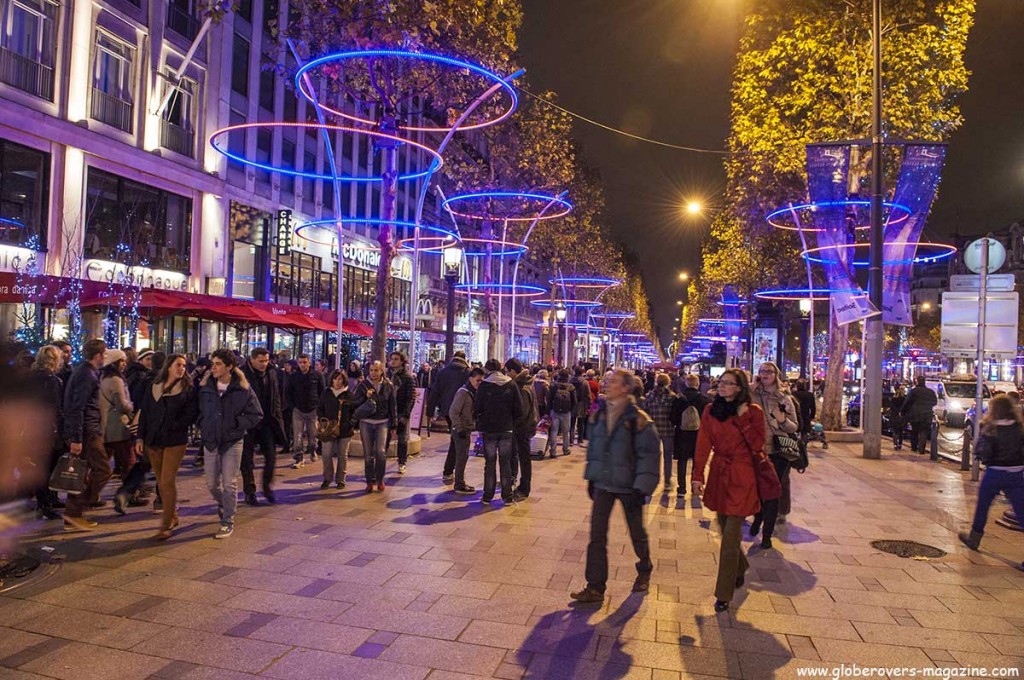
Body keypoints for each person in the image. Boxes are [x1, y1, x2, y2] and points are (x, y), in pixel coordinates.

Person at [570, 368, 660, 603]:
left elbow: (649, 455)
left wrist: (643, 486)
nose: (607, 384)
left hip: (629, 486)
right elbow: (595, 450)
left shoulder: (639, 419)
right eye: (607, 380)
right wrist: (592, 477)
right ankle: (595, 586)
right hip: (603, 483)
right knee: (596, 535)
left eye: (613, 381)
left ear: (626, 388)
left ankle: (644, 568)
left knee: (637, 532)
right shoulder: (599, 415)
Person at [691, 368, 764, 612]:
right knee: (723, 528)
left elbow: (757, 444)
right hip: (720, 475)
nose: (723, 386)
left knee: (731, 534)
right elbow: (703, 444)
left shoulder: (753, 413)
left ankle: (724, 593)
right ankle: (740, 566)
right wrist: (697, 475)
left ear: (740, 388)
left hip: (743, 477)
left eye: (729, 383)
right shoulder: (711, 410)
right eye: (721, 382)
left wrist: (743, 419)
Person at [197, 349, 263, 539]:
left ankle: (227, 520)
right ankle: (224, 504)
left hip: (232, 441)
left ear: (229, 367)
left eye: (218, 364)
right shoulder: (206, 386)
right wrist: (203, 423)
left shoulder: (242, 388)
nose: (213, 367)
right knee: (211, 484)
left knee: (229, 483)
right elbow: (199, 409)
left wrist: (237, 424)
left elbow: (256, 414)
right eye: (213, 363)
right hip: (211, 440)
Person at [134, 354, 199, 540]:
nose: (181, 368)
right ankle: (173, 516)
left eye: (184, 365)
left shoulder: (187, 389)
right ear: (168, 367)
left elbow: (191, 414)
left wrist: (175, 425)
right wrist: (140, 438)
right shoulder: (153, 387)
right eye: (178, 365)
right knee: (161, 481)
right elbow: (145, 413)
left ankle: (166, 524)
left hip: (174, 440)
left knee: (167, 481)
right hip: (153, 441)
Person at [958, 394, 1024, 551]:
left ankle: (974, 538)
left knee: (983, 506)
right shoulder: (1019, 428)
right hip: (1016, 473)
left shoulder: (990, 428)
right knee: (1021, 511)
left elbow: (981, 453)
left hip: (995, 473)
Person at [750, 362, 799, 548]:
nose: (765, 374)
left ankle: (767, 535)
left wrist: (782, 419)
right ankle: (758, 516)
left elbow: (794, 426)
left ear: (776, 375)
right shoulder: (751, 394)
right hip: (757, 450)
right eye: (762, 371)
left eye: (769, 371)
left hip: (778, 452)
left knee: (772, 493)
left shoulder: (784, 398)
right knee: (756, 489)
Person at [62, 338, 108, 531]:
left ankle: (73, 514)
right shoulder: (87, 375)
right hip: (88, 432)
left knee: (83, 473)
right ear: (97, 355)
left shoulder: (85, 372)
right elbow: (77, 407)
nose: (106, 357)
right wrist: (77, 438)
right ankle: (75, 509)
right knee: (103, 470)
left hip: (88, 429)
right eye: (104, 353)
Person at [241, 348, 286, 505]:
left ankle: (267, 488)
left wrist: (278, 417)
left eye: (266, 361)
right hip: (248, 421)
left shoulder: (272, 373)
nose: (264, 364)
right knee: (247, 460)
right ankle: (250, 491)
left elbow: (277, 396)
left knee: (271, 457)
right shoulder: (241, 374)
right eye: (261, 361)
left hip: (267, 421)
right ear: (252, 359)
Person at [474, 359, 522, 504]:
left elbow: (477, 407)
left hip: (489, 429)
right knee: (505, 462)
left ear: (488, 370)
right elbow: (518, 408)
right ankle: (507, 495)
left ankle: (488, 495)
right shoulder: (511, 384)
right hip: (506, 428)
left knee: (489, 462)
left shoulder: (484, 386)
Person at [30, 346, 66, 520]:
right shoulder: (53, 381)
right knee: (49, 467)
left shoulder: (30, 378)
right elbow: (56, 408)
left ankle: (43, 502)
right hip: (47, 428)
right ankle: (45, 504)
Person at [352, 360, 397, 492]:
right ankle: (369, 481)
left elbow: (392, 406)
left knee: (380, 452)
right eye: (371, 370)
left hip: (382, 422)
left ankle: (380, 478)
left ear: (382, 371)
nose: (373, 373)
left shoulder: (388, 385)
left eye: (376, 370)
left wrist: (394, 424)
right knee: (368, 454)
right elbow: (355, 403)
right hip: (366, 422)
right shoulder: (363, 385)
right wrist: (366, 397)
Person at [430, 351, 470, 484]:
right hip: (461, 412)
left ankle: (449, 471)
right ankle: (449, 471)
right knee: (457, 441)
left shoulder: (443, 372)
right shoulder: (466, 372)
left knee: (455, 439)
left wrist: (430, 412)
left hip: (447, 410)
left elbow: (435, 391)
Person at [99, 349, 135, 485]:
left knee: (104, 463)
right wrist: (131, 405)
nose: (124, 364)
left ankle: (91, 494)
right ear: (114, 363)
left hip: (107, 426)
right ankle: (129, 493)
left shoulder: (103, 377)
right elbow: (122, 404)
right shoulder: (116, 380)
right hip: (118, 427)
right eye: (121, 361)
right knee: (128, 461)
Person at [448, 367, 485, 495]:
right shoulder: (463, 392)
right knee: (461, 457)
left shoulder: (472, 392)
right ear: (471, 379)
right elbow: (453, 411)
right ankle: (459, 484)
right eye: (477, 380)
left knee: (463, 456)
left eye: (481, 381)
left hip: (466, 428)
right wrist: (459, 428)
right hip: (461, 430)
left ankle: (460, 482)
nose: (479, 383)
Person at [672, 373, 709, 498]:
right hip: (699, 435)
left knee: (682, 461)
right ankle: (695, 486)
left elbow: (672, 418)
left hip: (682, 434)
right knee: (696, 461)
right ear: (697, 384)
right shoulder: (704, 400)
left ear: (686, 384)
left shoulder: (678, 399)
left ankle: (681, 489)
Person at [505, 358, 537, 501]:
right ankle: (514, 481)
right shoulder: (526, 382)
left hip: (522, 427)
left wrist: (513, 424)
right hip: (525, 425)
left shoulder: (522, 386)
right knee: (520, 456)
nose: (506, 374)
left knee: (524, 457)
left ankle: (524, 488)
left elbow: (522, 411)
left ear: (513, 371)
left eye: (507, 371)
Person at [317, 369, 355, 490]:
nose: (337, 382)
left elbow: (354, 412)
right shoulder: (327, 393)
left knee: (342, 455)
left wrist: (350, 424)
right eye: (335, 379)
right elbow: (320, 408)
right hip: (328, 429)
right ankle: (327, 478)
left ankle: (341, 479)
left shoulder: (349, 394)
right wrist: (323, 421)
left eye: (340, 379)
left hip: (345, 430)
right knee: (326, 454)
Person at [288, 354, 325, 468]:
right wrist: (292, 406)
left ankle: (312, 449)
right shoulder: (293, 376)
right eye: (300, 362)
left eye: (305, 362)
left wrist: (319, 406)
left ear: (309, 363)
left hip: (313, 409)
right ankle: (299, 457)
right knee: (297, 435)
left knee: (313, 434)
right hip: (298, 409)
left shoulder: (317, 375)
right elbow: (288, 392)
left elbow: (322, 391)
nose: (302, 364)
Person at [644, 373, 677, 493]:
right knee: (668, 457)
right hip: (668, 429)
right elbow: (674, 414)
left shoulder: (649, 396)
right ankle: (667, 481)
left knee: (653, 456)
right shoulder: (672, 397)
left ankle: (652, 480)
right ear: (668, 382)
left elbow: (645, 412)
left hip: (653, 430)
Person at [388, 352, 416, 475]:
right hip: (388, 412)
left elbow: (411, 397)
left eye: (396, 359)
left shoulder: (407, 377)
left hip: (400, 411)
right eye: (392, 359)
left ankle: (402, 462)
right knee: (385, 438)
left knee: (402, 439)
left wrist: (405, 414)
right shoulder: (387, 376)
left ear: (402, 362)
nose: (393, 361)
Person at [902, 376, 938, 454]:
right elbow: (935, 402)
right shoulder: (930, 392)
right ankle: (921, 449)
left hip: (915, 414)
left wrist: (903, 412)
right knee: (923, 431)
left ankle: (914, 448)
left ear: (917, 382)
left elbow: (907, 402)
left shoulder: (913, 391)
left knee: (914, 431)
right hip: (927, 414)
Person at [546, 369, 576, 458]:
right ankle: (565, 449)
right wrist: (571, 409)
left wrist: (547, 412)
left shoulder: (553, 386)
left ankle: (553, 451)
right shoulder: (571, 387)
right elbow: (574, 401)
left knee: (554, 431)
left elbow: (549, 400)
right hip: (566, 412)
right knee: (566, 432)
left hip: (555, 411)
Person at [570, 367, 592, 445]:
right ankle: (580, 439)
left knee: (572, 423)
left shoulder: (570, 381)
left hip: (572, 403)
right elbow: (588, 394)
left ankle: (571, 440)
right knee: (581, 422)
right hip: (582, 403)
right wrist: (590, 404)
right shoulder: (585, 382)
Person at [889, 385, 907, 450]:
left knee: (894, 431)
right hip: (901, 416)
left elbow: (891, 408)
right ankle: (900, 444)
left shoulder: (892, 399)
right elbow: (905, 408)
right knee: (900, 431)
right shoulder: (903, 399)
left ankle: (895, 444)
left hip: (894, 416)